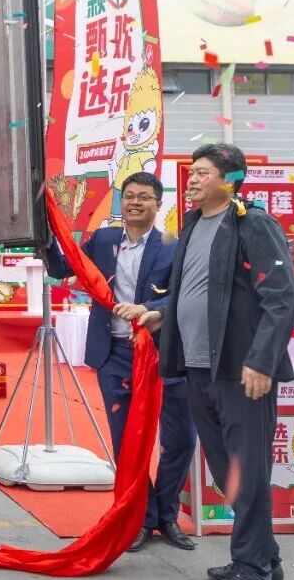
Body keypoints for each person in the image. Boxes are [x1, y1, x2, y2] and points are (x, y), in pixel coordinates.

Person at [140, 143, 294, 580]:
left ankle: (253, 570)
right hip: (196, 365)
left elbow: (281, 297)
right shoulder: (192, 224)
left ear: (229, 180)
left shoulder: (253, 223)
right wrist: (162, 315)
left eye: (202, 173)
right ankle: (265, 558)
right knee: (224, 468)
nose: (191, 180)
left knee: (245, 471)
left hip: (239, 369)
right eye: (191, 172)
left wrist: (261, 361)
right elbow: (193, 290)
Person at [46, 171, 196, 553]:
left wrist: (151, 308)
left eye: (144, 197)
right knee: (127, 441)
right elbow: (63, 268)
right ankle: (143, 516)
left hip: (164, 355)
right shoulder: (104, 240)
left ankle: (167, 514)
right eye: (129, 196)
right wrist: (45, 232)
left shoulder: (173, 245)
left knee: (181, 438)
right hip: (114, 354)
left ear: (158, 204)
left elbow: (186, 294)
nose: (135, 202)